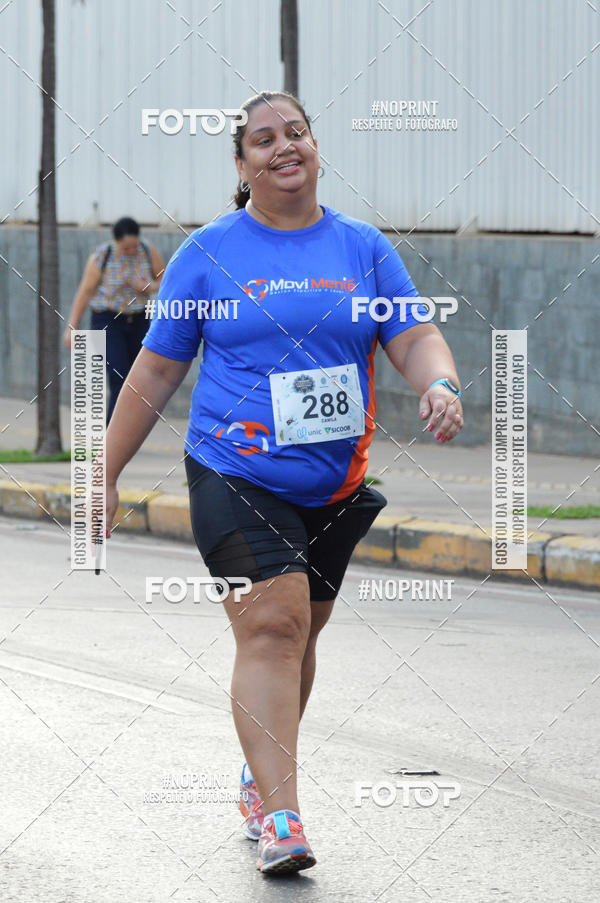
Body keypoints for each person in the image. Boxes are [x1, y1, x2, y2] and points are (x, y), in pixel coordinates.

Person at [104, 91, 464, 875]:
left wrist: (441, 383)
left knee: (299, 635)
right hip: (234, 470)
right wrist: (103, 473)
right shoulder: (208, 253)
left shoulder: (363, 248)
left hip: (334, 483)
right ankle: (283, 816)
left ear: (314, 145)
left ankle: (257, 777)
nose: (283, 147)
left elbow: (413, 333)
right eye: (263, 140)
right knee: (273, 624)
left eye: (294, 132)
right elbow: (158, 369)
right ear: (241, 164)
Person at [63, 217, 165, 422]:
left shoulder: (147, 250)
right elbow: (85, 292)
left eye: (134, 246)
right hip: (108, 319)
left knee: (137, 379)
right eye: (126, 248)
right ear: (116, 242)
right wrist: (71, 327)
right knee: (119, 376)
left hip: (138, 319)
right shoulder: (103, 255)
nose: (131, 251)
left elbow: (165, 281)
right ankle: (111, 435)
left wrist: (148, 287)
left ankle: (125, 431)